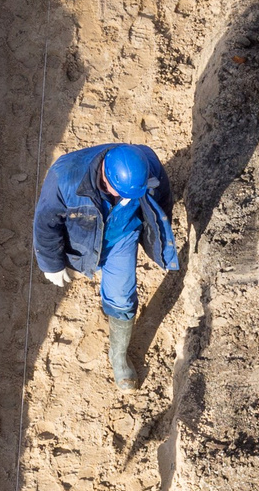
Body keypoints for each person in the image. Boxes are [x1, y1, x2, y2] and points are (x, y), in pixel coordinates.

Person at [33, 141, 179, 389]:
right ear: (105, 177)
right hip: (82, 236)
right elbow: (46, 224)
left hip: (122, 236)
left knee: (122, 296)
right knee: (80, 261)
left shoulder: (148, 165)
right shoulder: (65, 177)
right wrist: (52, 264)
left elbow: (162, 200)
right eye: (119, 193)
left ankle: (118, 356)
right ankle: (83, 264)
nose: (123, 198)